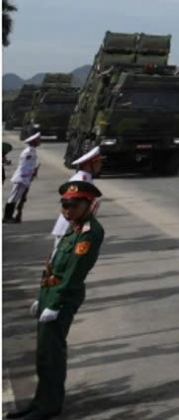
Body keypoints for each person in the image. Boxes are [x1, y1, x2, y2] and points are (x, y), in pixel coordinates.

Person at [7, 180, 106, 420]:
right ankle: (40, 401)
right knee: (43, 352)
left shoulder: (89, 232)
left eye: (73, 205)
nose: (67, 210)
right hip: (50, 291)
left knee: (52, 354)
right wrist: (41, 297)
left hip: (63, 296)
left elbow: (74, 272)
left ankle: (49, 405)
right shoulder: (74, 226)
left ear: (87, 205)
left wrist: (55, 304)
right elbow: (55, 261)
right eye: (64, 205)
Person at [50, 147, 103, 250]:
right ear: (88, 165)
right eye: (98, 162)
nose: (100, 165)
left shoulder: (86, 179)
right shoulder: (80, 181)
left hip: (74, 228)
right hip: (68, 228)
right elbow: (70, 206)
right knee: (60, 257)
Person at [5, 132, 42, 223]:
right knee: (13, 197)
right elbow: (24, 166)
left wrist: (33, 172)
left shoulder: (32, 151)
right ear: (33, 142)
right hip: (21, 178)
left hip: (25, 178)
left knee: (18, 197)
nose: (40, 141)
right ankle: (7, 217)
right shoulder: (28, 152)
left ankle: (10, 216)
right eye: (38, 140)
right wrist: (29, 174)